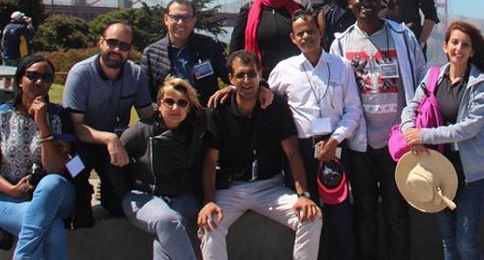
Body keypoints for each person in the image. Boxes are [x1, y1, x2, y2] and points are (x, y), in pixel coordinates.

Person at [329, 0, 426, 260]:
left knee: (397, 213)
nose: (367, 3)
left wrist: (415, 125)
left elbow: (421, 80)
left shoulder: (403, 36)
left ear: (382, 1)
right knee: (365, 211)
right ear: (350, 3)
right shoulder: (341, 43)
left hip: (397, 143)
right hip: (360, 143)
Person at [197, 50, 322, 260]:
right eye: (240, 75)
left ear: (260, 74)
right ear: (231, 79)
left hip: (270, 187)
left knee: (312, 217)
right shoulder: (218, 109)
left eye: (252, 74)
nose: (247, 81)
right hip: (231, 188)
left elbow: (292, 153)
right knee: (210, 223)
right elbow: (209, 162)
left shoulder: (275, 106)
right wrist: (209, 201)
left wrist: (303, 195)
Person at [400, 20, 484, 260]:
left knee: (466, 244)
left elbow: (469, 128)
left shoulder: (481, 84)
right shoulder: (433, 77)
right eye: (454, 42)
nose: (459, 48)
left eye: (465, 45)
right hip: (439, 168)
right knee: (448, 242)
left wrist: (424, 135)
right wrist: (408, 129)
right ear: (445, 46)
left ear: (472, 51)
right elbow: (411, 107)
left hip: (471, 173)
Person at [268, 10, 362, 260]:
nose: (307, 36)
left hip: (335, 150)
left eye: (311, 31)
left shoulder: (341, 66)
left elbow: (353, 109)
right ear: (293, 38)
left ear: (321, 33)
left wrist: (335, 140)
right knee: (306, 218)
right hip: (300, 154)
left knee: (340, 220)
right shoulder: (283, 70)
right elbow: (263, 98)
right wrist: (231, 89)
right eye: (300, 33)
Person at [0, 55, 75, 260]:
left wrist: (43, 124)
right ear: (20, 80)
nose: (40, 82)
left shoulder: (59, 116)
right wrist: (10, 189)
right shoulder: (1, 115)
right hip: (10, 197)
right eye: (33, 76)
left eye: (47, 78)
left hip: (55, 196)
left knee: (52, 182)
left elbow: (59, 169)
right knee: (53, 227)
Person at [63, 21, 155, 227]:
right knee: (71, 171)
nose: (117, 50)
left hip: (115, 149)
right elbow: (75, 126)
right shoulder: (81, 73)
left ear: (130, 50)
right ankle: (79, 196)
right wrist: (108, 138)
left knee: (116, 203)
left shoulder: (136, 74)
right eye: (112, 43)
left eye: (124, 46)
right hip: (82, 144)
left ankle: (108, 193)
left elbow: (148, 118)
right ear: (101, 42)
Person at [110, 76, 205, 260]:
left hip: (183, 197)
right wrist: (123, 192)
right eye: (169, 101)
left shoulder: (196, 131)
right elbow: (112, 163)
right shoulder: (140, 131)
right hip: (143, 197)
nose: (175, 108)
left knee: (168, 230)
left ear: (189, 108)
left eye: (182, 103)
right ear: (159, 105)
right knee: (166, 220)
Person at [142, 0, 228, 105]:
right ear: (166, 19)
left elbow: (230, 77)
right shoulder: (151, 53)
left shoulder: (210, 46)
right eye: (175, 17)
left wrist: (230, 88)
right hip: (168, 118)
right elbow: (145, 95)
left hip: (204, 116)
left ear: (194, 20)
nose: (181, 23)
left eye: (186, 18)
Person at [229, 0, 302, 79]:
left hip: (294, 77)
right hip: (258, 79)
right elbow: (235, 47)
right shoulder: (248, 11)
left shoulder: (298, 11)